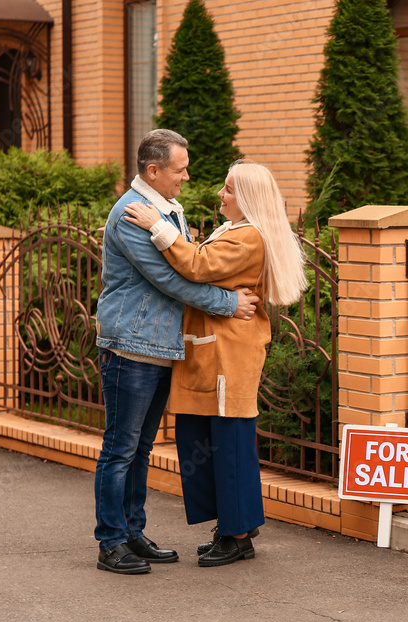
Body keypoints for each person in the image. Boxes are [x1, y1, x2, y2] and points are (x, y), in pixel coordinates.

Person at [123, 160, 308, 566]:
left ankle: (238, 535)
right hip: (216, 351)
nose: (220, 195)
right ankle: (231, 527)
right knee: (209, 440)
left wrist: (158, 224)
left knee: (230, 444)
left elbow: (197, 266)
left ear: (246, 198)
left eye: (227, 190)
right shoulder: (237, 231)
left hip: (230, 354)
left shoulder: (247, 238)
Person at [94, 129, 259, 575]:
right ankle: (111, 542)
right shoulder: (131, 213)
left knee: (141, 447)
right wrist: (230, 303)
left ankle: (132, 532)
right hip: (131, 345)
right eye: (180, 169)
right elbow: (171, 280)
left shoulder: (167, 210)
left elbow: (187, 262)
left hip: (160, 347)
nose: (187, 176)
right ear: (154, 170)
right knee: (120, 447)